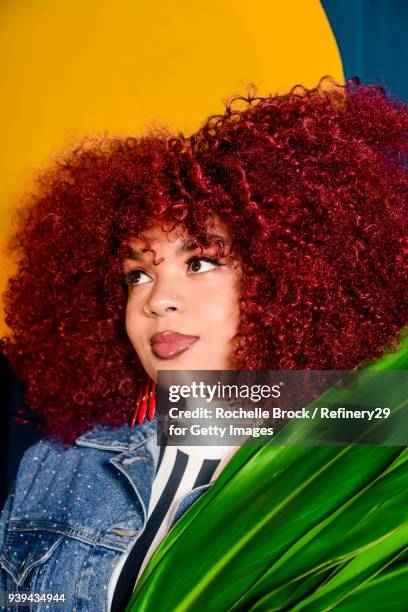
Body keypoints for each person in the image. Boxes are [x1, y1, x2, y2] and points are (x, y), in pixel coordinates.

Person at [0, 79, 407, 611]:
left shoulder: (363, 459)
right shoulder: (58, 466)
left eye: (201, 262)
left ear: (285, 277)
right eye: (138, 275)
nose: (159, 300)